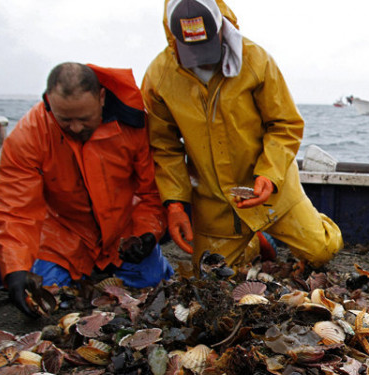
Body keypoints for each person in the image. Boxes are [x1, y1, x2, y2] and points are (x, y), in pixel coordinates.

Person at [142, 0, 343, 269]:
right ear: (173, 37)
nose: (201, 58)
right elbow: (164, 146)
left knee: (322, 251)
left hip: (271, 190)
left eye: (207, 45)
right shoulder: (159, 76)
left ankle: (307, 226)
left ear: (221, 27)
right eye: (191, 50)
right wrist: (175, 204)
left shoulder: (256, 60)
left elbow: (285, 125)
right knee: (212, 276)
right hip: (214, 200)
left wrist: (269, 176)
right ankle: (256, 242)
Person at [0, 62, 173, 316]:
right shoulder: (29, 134)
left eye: (84, 119)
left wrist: (147, 234)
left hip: (123, 232)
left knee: (153, 286)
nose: (76, 128)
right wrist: (15, 267)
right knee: (46, 298)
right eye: (65, 120)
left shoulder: (134, 123)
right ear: (49, 103)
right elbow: (15, 208)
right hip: (65, 233)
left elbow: (151, 192)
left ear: (101, 98)